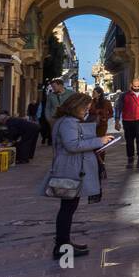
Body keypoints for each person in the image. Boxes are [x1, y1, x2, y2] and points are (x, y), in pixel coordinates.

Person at [46, 92, 110, 260]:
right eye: (85, 109)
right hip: (69, 169)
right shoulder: (68, 123)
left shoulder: (67, 121)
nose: (86, 112)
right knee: (67, 208)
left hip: (70, 167)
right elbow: (72, 145)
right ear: (77, 107)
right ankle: (62, 246)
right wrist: (99, 141)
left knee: (69, 207)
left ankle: (65, 243)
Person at [115, 77, 139, 169]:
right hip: (127, 121)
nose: (136, 88)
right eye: (134, 86)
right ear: (131, 85)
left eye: (138, 86)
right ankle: (130, 160)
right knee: (129, 141)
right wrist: (117, 121)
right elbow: (118, 108)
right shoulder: (124, 95)